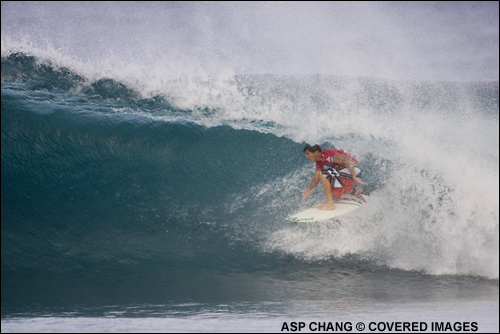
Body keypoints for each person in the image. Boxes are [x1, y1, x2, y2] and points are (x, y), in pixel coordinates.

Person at [302, 144, 367, 210]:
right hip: (346, 172)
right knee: (333, 192)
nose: (306, 156)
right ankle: (356, 191)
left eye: (308, 154)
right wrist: (309, 189)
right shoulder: (319, 161)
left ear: (316, 152)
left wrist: (354, 176)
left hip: (354, 170)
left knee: (323, 173)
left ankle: (330, 204)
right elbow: (316, 177)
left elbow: (347, 160)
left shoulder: (328, 154)